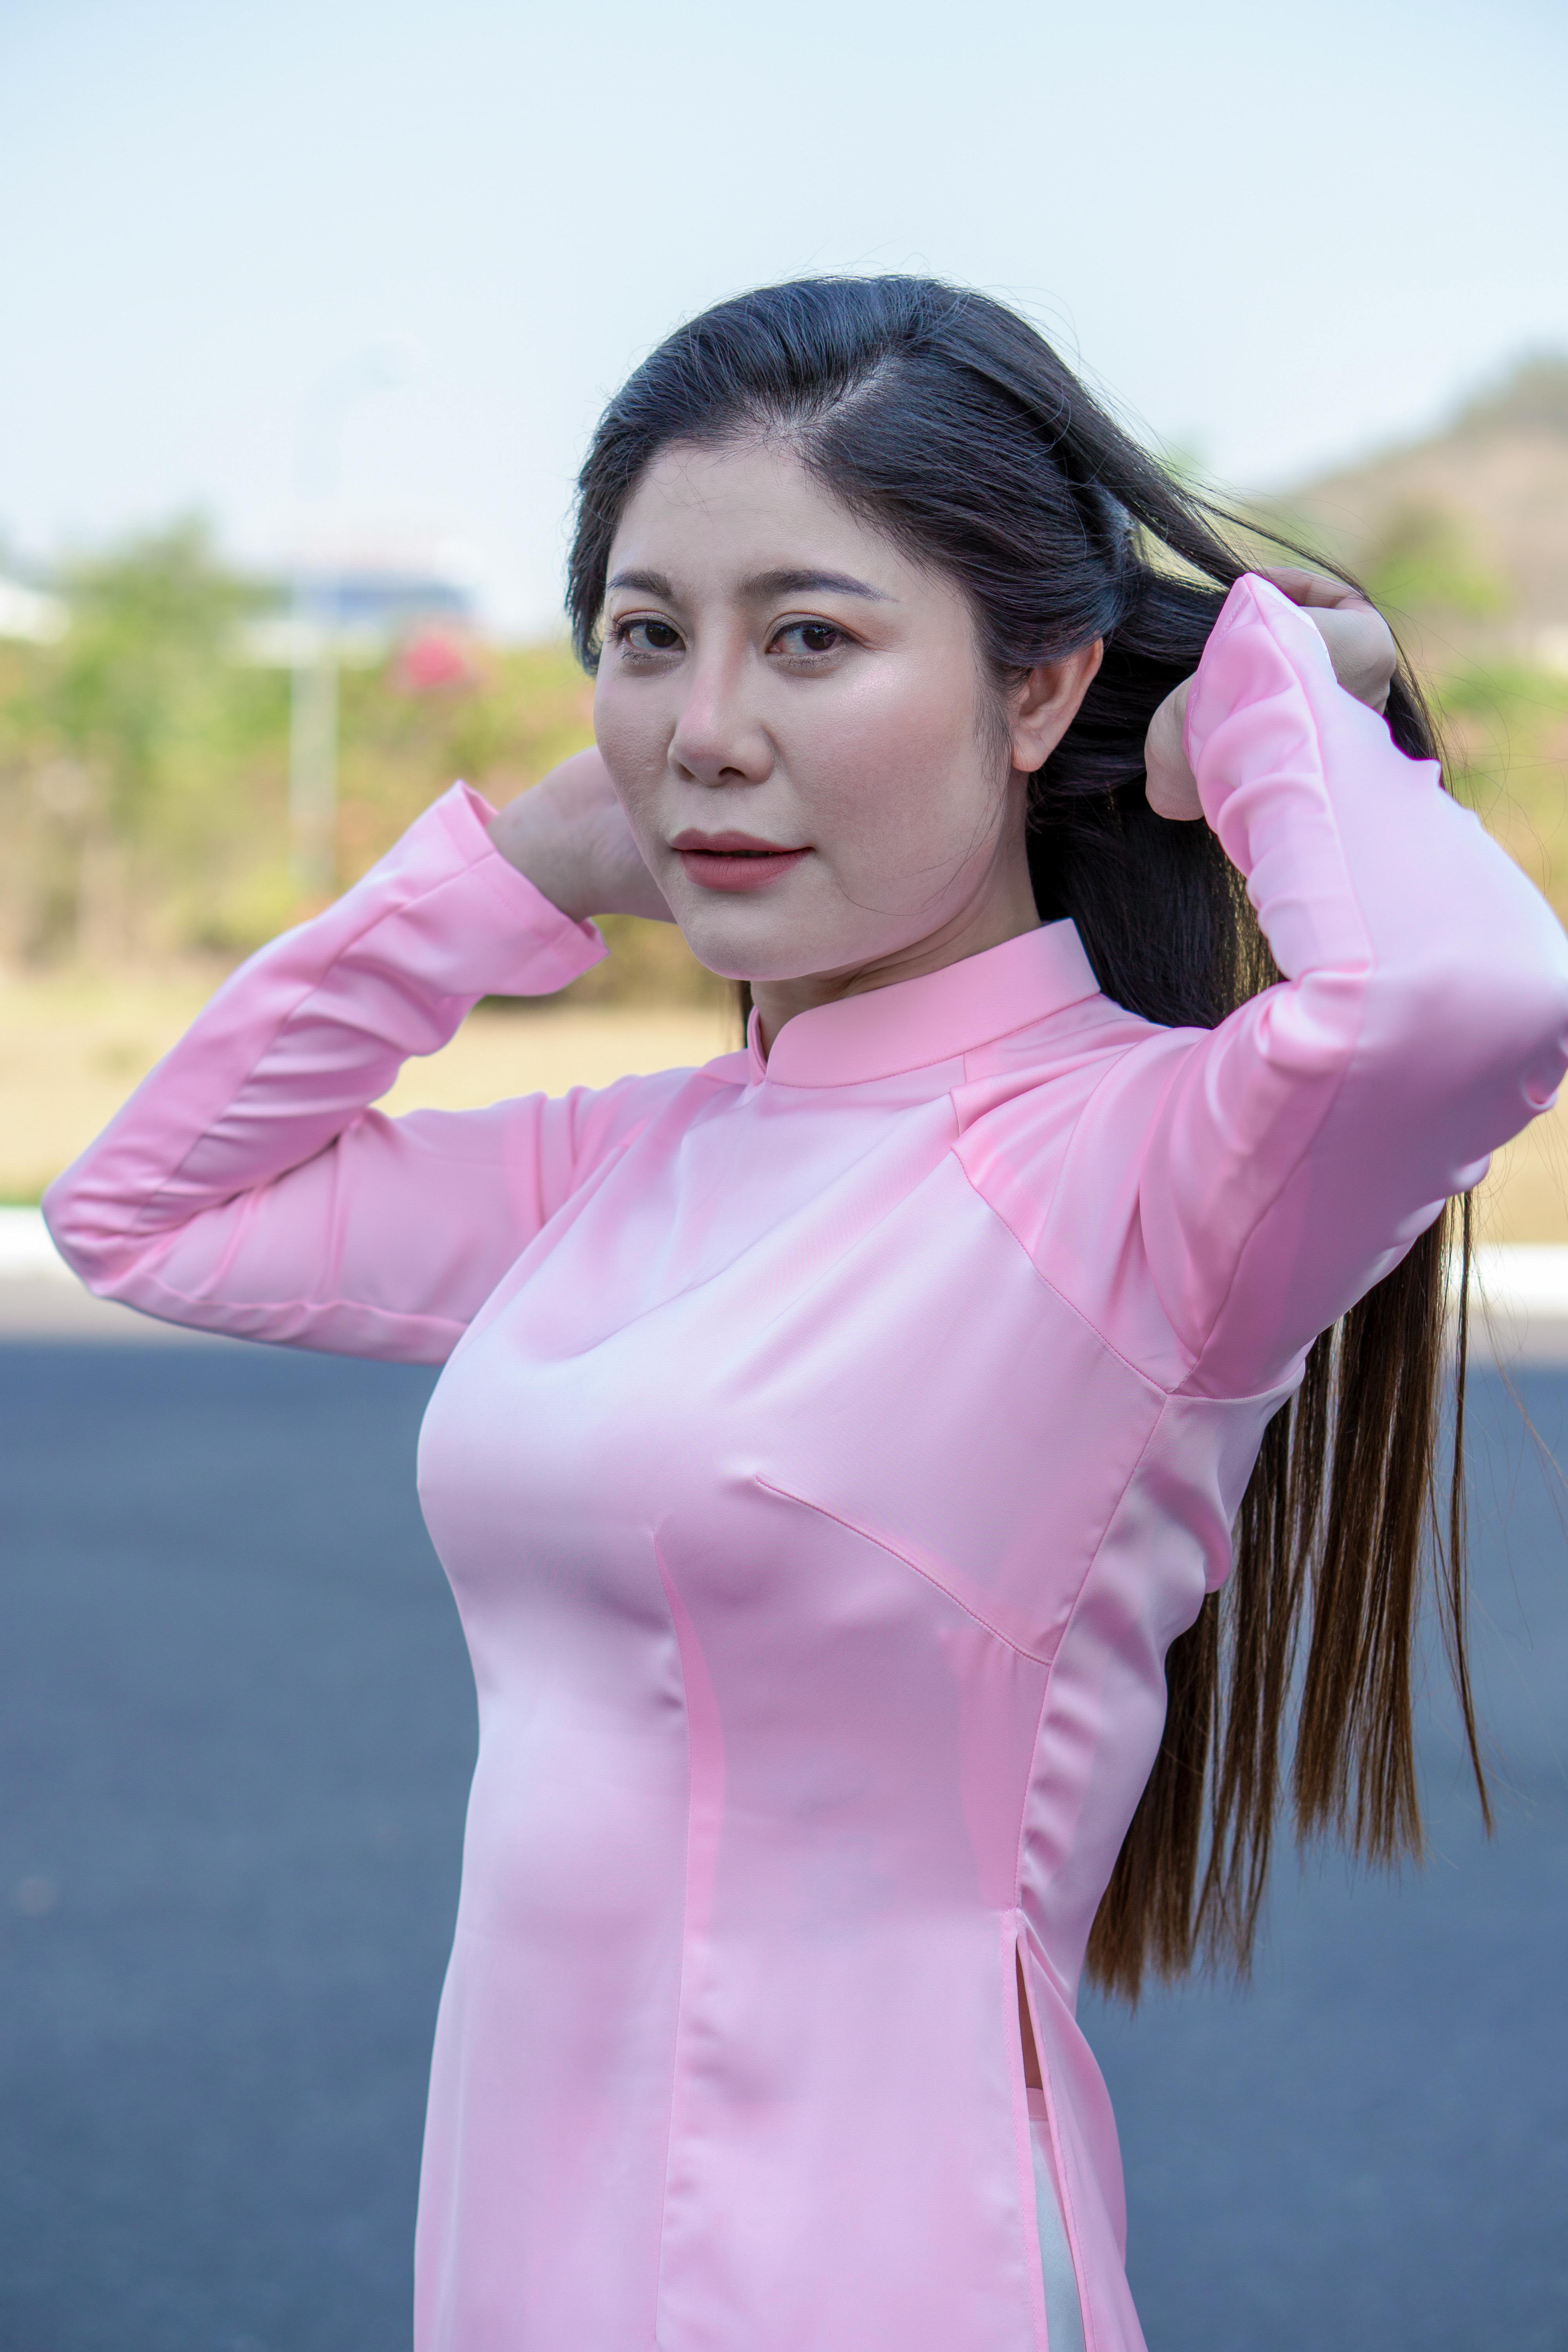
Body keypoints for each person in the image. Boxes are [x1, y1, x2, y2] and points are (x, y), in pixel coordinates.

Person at [45, 278, 1568, 2352]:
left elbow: (1464, 1009)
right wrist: (509, 870)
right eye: (648, 638)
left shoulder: (1147, 1180)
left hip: (879, 2262)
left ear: (1037, 691)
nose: (708, 732)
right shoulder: (638, 1162)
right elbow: (146, 1212)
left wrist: (1271, 707)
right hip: (519, 2245)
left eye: (814, 637)